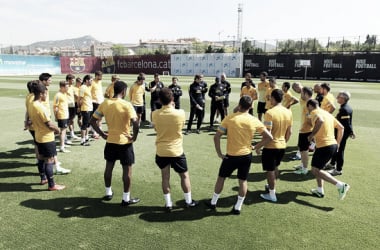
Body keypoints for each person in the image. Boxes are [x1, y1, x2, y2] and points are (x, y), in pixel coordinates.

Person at [206, 95, 273, 214]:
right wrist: (256, 146)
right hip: (246, 155)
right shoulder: (254, 120)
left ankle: (213, 203)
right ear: (251, 106)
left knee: (221, 178)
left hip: (231, 156)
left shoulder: (229, 118)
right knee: (242, 181)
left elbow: (216, 137)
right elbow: (269, 137)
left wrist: (220, 153)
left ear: (239, 105)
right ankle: (238, 207)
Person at [90, 81, 141, 206]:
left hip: (110, 141)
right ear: (123, 91)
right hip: (124, 142)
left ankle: (108, 192)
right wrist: (134, 136)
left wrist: (102, 134)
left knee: (109, 167)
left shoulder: (105, 103)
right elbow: (135, 122)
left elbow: (92, 121)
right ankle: (126, 198)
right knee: (127, 170)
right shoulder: (127, 105)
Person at [152, 87, 198, 211]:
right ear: (172, 99)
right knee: (184, 176)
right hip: (176, 151)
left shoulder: (155, 114)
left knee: (165, 178)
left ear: (160, 101)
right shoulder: (181, 113)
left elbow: (156, 129)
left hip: (161, 151)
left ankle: (168, 204)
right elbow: (181, 127)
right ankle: (188, 201)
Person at [306, 99, 350, 200]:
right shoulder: (327, 114)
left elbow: (320, 121)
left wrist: (312, 134)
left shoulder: (314, 112)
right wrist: (338, 143)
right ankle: (320, 190)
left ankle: (340, 185)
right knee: (318, 168)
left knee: (315, 170)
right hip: (332, 145)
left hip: (324, 146)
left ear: (310, 106)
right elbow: (341, 128)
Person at [29, 83, 65, 191]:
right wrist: (57, 130)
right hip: (46, 138)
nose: (46, 95)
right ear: (41, 94)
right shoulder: (40, 107)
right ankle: (52, 185)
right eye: (45, 93)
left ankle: (43, 178)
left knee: (40, 158)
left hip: (38, 136)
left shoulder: (31, 104)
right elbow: (49, 124)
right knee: (49, 160)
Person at [260, 89, 293, 202]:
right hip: (282, 145)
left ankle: (272, 194)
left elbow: (267, 133)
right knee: (275, 167)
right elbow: (290, 131)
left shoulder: (269, 113)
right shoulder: (288, 112)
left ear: (273, 98)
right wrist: (284, 142)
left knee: (270, 170)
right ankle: (271, 187)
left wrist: (259, 146)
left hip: (270, 147)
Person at [328, 91, 355, 176]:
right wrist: (351, 131)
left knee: (339, 150)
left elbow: (346, 123)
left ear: (343, 99)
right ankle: (332, 164)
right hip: (343, 132)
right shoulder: (347, 107)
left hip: (342, 133)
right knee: (336, 148)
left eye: (338, 97)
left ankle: (338, 169)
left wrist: (351, 132)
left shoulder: (344, 109)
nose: (337, 98)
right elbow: (349, 122)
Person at [293, 87, 314, 175]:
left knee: (304, 150)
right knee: (302, 149)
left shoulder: (310, 104)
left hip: (306, 130)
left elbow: (311, 119)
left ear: (305, 94)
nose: (300, 94)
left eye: (302, 92)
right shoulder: (304, 101)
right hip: (303, 129)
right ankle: (302, 165)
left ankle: (304, 168)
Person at [53, 81, 70, 153]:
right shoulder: (58, 95)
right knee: (62, 131)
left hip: (65, 114)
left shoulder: (64, 93)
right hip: (61, 115)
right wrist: (56, 116)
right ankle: (62, 147)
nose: (68, 88)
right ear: (62, 87)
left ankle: (63, 144)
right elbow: (55, 107)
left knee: (64, 131)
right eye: (66, 87)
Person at [78, 75, 93, 146]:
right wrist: (79, 107)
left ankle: (86, 138)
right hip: (85, 108)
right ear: (86, 80)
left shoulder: (87, 87)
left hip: (89, 108)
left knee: (88, 124)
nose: (92, 82)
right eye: (91, 80)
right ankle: (82, 140)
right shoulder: (83, 87)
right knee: (84, 125)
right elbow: (79, 99)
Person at [91, 71, 104, 139]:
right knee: (95, 118)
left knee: (100, 118)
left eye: (101, 76)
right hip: (95, 102)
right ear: (96, 76)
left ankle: (100, 130)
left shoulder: (100, 82)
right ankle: (94, 132)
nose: (101, 77)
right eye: (100, 76)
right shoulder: (92, 82)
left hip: (101, 102)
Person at [66, 74, 79, 140]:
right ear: (68, 80)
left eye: (74, 79)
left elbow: (76, 96)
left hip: (72, 106)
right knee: (66, 121)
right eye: (72, 79)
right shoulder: (66, 87)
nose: (73, 81)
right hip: (67, 106)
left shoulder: (72, 87)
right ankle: (65, 136)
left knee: (71, 120)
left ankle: (72, 134)